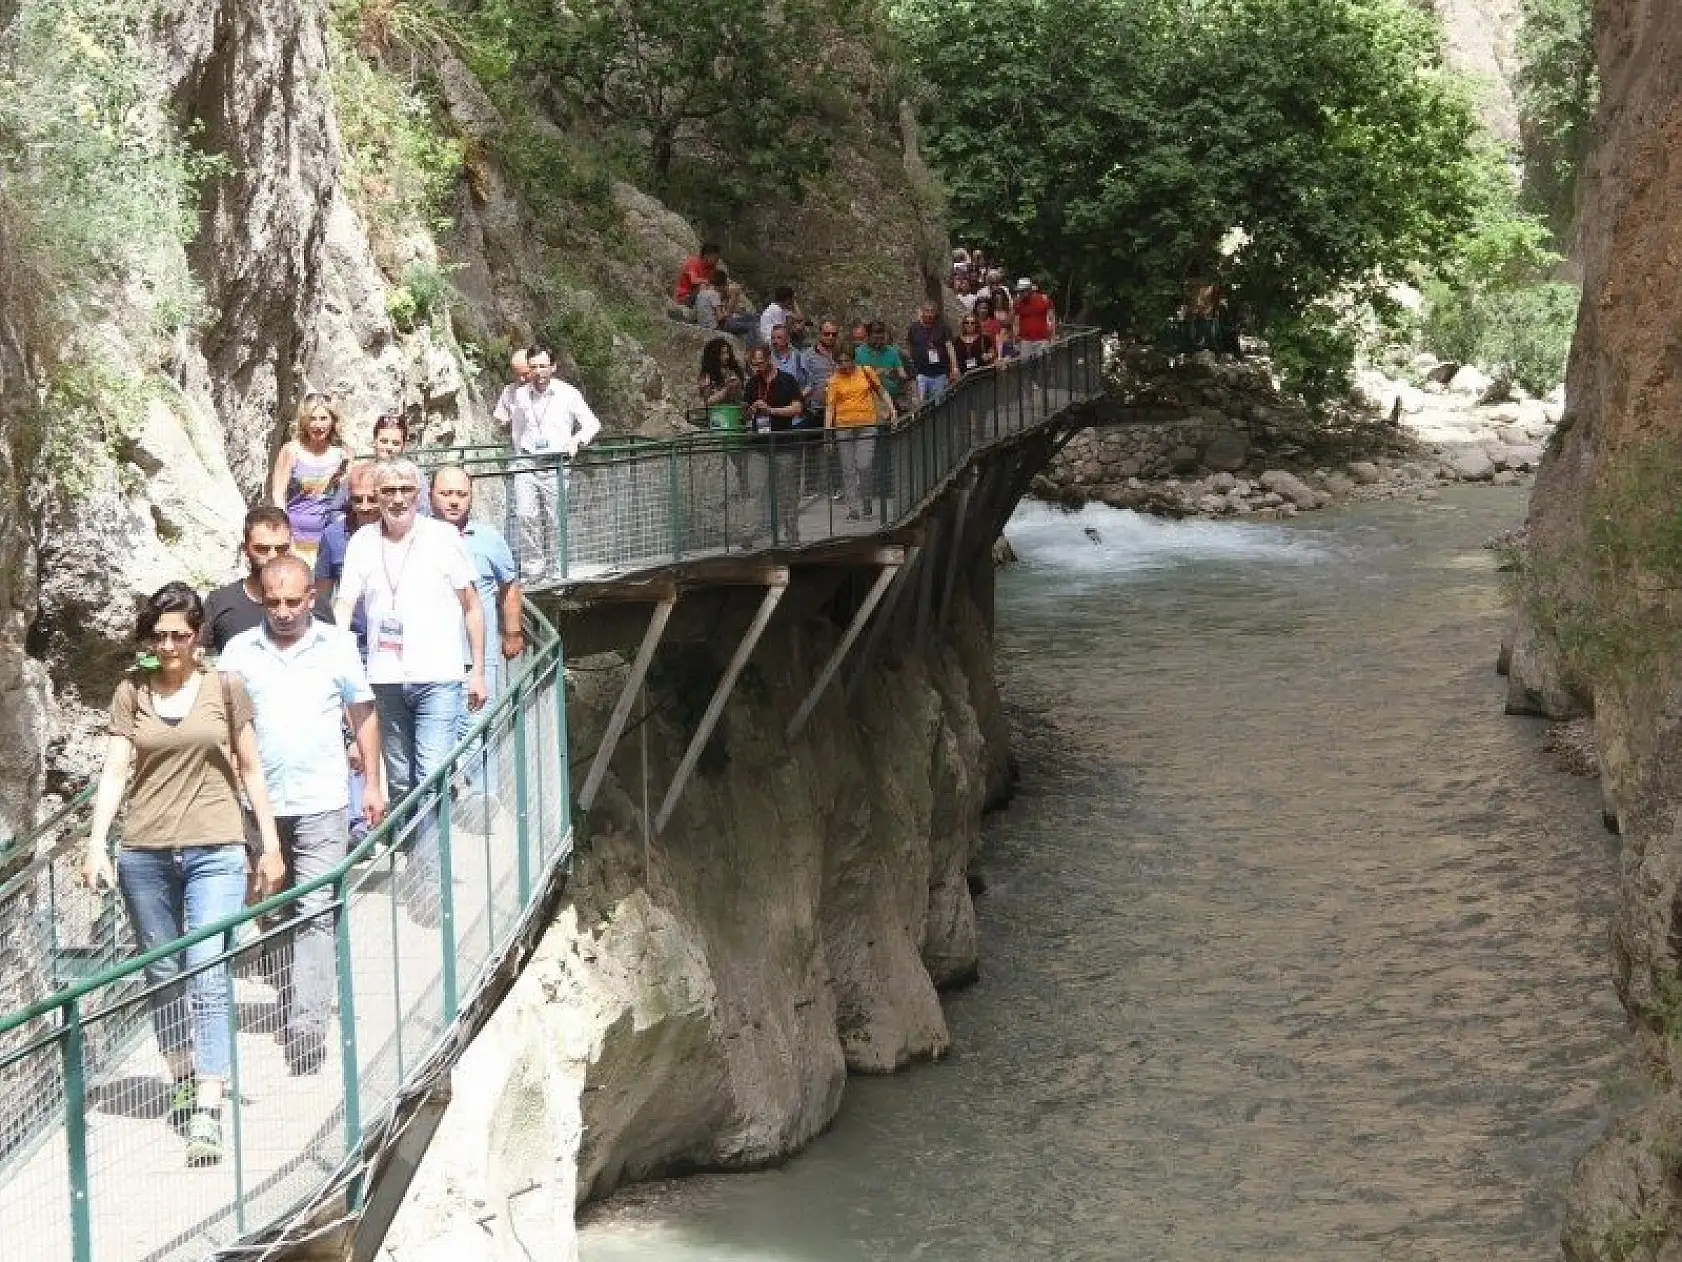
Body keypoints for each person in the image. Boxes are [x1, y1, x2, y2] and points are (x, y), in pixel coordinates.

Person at [81, 581, 283, 1166]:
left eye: (179, 635)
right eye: (160, 635)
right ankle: (184, 1078)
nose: (168, 646)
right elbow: (115, 771)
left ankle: (209, 1108)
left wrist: (269, 844)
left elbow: (251, 769)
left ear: (198, 637)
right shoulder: (131, 691)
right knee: (163, 971)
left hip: (215, 847)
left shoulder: (225, 687)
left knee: (207, 967)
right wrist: (97, 844)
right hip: (145, 850)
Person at [219, 556, 384, 1075]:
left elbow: (363, 712)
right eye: (274, 602)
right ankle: (293, 994)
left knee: (315, 909)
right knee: (273, 910)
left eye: (294, 601)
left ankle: (307, 1027)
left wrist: (372, 783)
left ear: (311, 597)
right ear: (262, 601)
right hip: (259, 805)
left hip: (322, 799)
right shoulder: (238, 652)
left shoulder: (336, 646)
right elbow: (220, 724)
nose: (285, 611)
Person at [333, 458, 486, 923]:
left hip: (438, 675)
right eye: (388, 491)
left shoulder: (441, 537)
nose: (397, 498)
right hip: (384, 677)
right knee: (400, 781)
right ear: (376, 497)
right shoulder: (363, 542)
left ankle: (428, 882)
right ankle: (416, 858)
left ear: (418, 495)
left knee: (431, 773)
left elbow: (472, 605)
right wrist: (339, 662)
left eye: (405, 489)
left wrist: (478, 670)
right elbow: (344, 605)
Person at [430, 465, 523, 717]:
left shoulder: (489, 538)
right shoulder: (418, 537)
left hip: (477, 659)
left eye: (461, 494)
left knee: (478, 730)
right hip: (430, 660)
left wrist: (512, 632)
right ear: (430, 496)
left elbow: (509, 585)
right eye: (446, 494)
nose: (454, 501)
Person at [506, 343, 602, 579]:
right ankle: (533, 569)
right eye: (533, 367)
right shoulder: (521, 394)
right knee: (525, 514)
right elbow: (517, 428)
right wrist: (518, 454)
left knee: (555, 518)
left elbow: (592, 423)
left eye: (543, 366)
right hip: (527, 462)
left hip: (556, 464)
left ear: (553, 367)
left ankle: (556, 569)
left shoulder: (568, 394)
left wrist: (576, 441)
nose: (538, 372)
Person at [204, 506, 297, 654]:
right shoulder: (220, 602)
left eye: (281, 548)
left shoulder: (313, 603)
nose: (273, 556)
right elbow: (198, 657)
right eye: (262, 549)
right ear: (245, 549)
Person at [269, 394, 349, 568]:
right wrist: (286, 535)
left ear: (332, 421)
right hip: (295, 536)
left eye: (323, 419)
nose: (318, 425)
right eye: (312, 419)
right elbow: (278, 494)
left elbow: (342, 497)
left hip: (327, 537)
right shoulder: (291, 451)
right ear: (304, 421)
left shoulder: (342, 454)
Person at [313, 462, 379, 659]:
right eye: (358, 500)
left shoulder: (399, 535)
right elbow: (321, 597)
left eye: (372, 499)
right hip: (353, 648)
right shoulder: (333, 537)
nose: (365, 507)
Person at [825, 341, 895, 521]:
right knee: (848, 469)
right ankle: (852, 509)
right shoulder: (834, 380)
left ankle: (867, 501)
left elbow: (882, 391)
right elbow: (830, 408)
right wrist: (828, 433)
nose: (844, 365)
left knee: (865, 465)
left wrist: (892, 410)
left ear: (853, 359)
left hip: (867, 425)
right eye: (840, 361)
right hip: (843, 427)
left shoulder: (866, 371)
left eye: (847, 360)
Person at [743, 344, 806, 545]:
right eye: (753, 365)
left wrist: (771, 410)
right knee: (754, 490)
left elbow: (797, 408)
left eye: (760, 363)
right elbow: (745, 414)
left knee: (788, 492)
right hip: (759, 446)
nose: (757, 368)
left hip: (784, 444)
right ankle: (748, 535)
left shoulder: (787, 380)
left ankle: (792, 534)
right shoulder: (752, 383)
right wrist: (751, 409)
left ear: (769, 359)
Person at [371, 413, 430, 515]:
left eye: (396, 443)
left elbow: (423, 510)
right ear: (375, 441)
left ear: (403, 446)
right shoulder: (362, 473)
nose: (389, 448)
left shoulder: (415, 475)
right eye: (384, 441)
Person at [906, 300, 959, 406]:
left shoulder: (943, 328)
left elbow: (949, 347)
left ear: (936, 313)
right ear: (922, 312)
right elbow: (910, 346)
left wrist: (954, 367)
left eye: (932, 311)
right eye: (927, 311)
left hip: (939, 374)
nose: (929, 314)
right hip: (921, 373)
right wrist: (911, 365)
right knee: (920, 406)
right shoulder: (914, 328)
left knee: (939, 405)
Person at [855, 321, 909, 413]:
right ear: (868, 336)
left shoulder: (892, 351)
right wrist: (874, 374)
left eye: (881, 337)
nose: (879, 341)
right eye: (875, 338)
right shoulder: (858, 352)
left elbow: (902, 374)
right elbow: (855, 377)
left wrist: (897, 375)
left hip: (892, 399)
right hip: (869, 401)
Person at [1013, 277, 1057, 357]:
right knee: (1026, 363)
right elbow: (1016, 322)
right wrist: (1015, 339)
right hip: (1025, 340)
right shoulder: (1018, 303)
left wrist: (1052, 336)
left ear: (1029, 289)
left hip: (1042, 338)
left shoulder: (1044, 300)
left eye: (1023, 290)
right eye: (1020, 291)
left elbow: (1051, 318)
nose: (1021, 293)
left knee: (1043, 361)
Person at [698, 337, 746, 408]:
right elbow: (708, 401)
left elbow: (741, 394)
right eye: (723, 353)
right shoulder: (707, 376)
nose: (727, 357)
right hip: (718, 412)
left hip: (735, 410)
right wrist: (727, 389)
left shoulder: (732, 371)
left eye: (727, 352)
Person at [492, 349, 532, 433]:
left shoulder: (554, 390)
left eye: (525, 374)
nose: (522, 379)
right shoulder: (509, 391)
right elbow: (500, 420)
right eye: (518, 375)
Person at [674, 242, 721, 307]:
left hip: (697, 294)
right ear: (706, 255)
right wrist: (707, 282)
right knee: (704, 286)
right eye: (715, 258)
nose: (717, 260)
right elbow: (693, 280)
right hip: (684, 296)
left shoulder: (711, 267)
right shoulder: (694, 262)